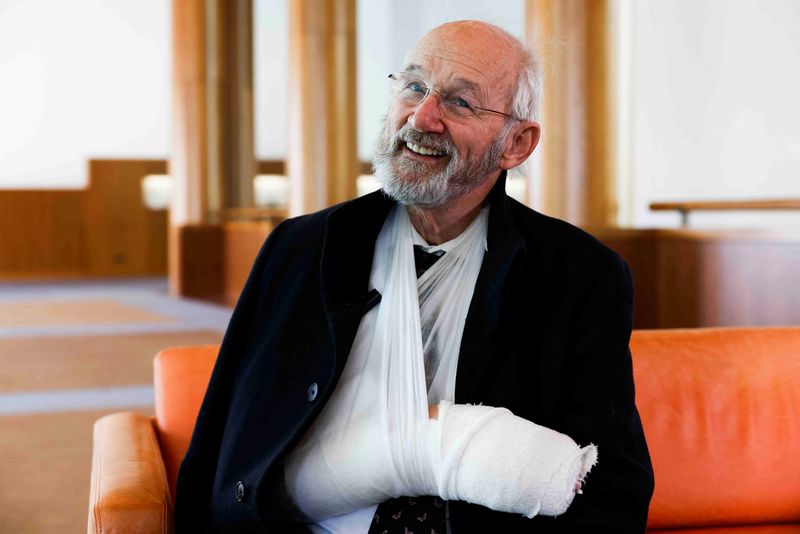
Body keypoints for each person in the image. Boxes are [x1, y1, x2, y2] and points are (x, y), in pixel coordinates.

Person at [175, 20, 654, 533]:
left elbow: (610, 486)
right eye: (414, 86)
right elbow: (225, 441)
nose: (423, 117)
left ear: (517, 143)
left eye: (460, 102)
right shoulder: (300, 250)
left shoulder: (579, 275)